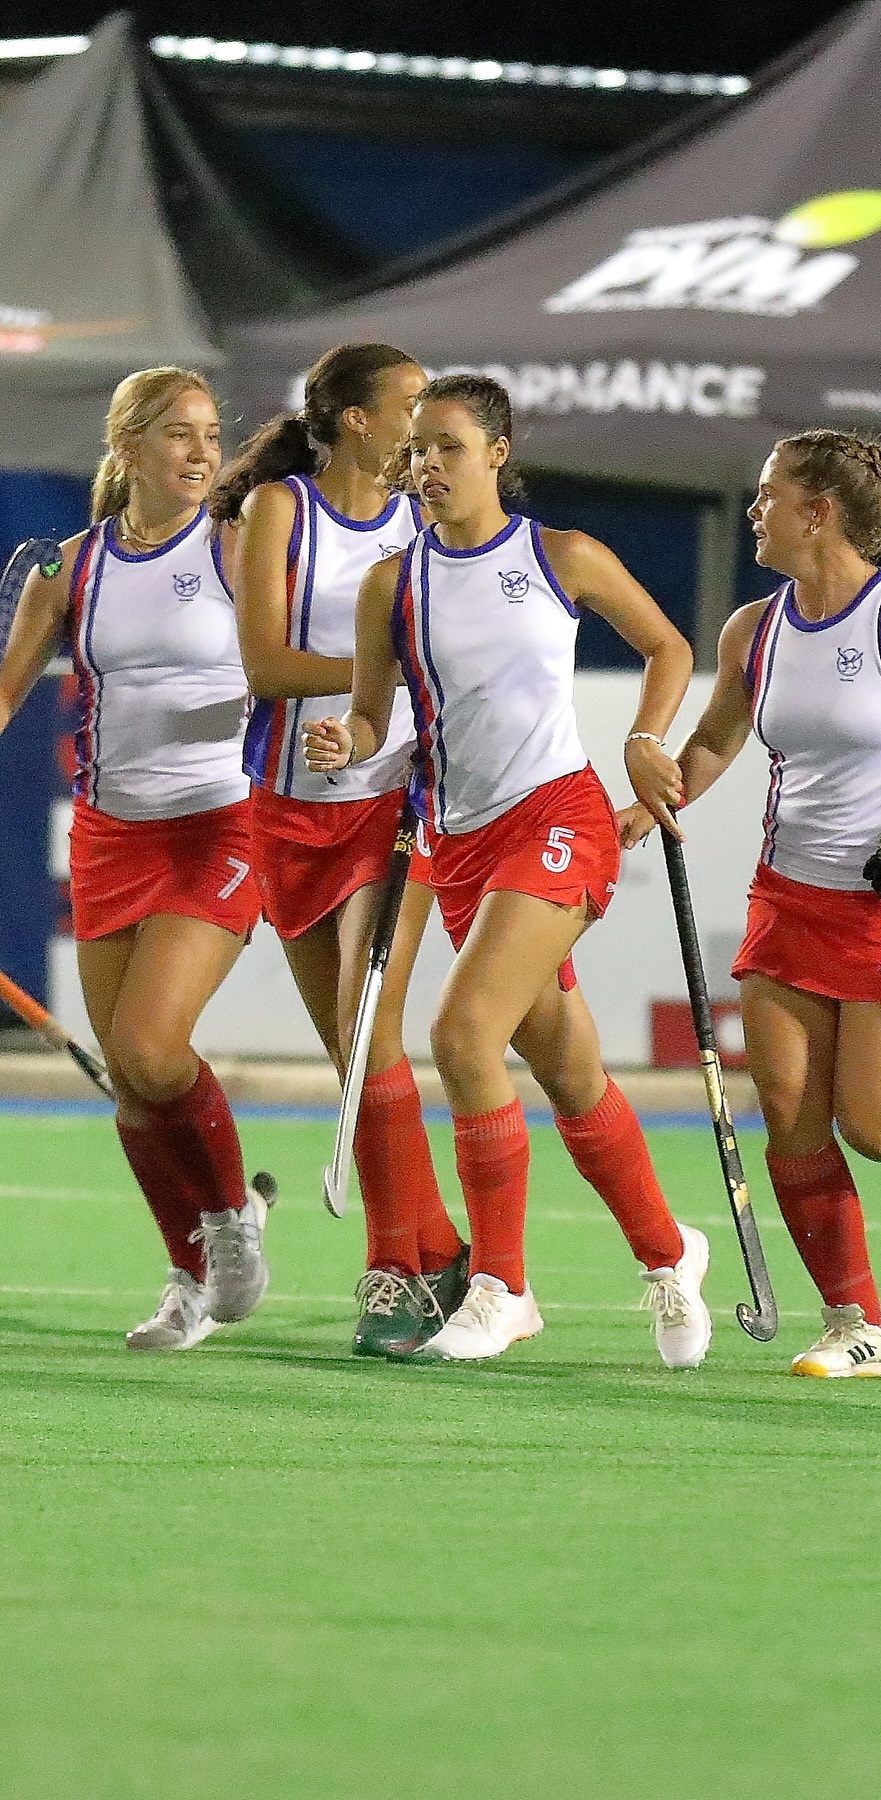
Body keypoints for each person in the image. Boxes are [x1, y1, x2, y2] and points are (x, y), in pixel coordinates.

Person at [302, 372, 711, 1368]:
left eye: (447, 446)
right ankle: (670, 1253)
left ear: (496, 452)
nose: (427, 465)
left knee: (461, 1033)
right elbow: (371, 714)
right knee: (569, 1072)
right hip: (462, 844)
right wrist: (347, 740)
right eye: (417, 449)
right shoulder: (391, 585)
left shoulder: (561, 556)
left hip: (559, 817)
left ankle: (502, 1286)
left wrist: (644, 741)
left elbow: (666, 647)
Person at [620, 428, 881, 1379]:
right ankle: (856, 1324)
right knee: (791, 1117)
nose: (754, 510)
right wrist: (647, 806)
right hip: (788, 894)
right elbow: (716, 741)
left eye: (769, 495)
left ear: (819, 512)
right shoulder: (753, 629)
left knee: (880, 1127)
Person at [0, 367, 270, 1351]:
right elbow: (4, 693)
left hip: (219, 826)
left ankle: (231, 1217)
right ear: (129, 447)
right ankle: (187, 1274)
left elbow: (299, 660)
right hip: (111, 834)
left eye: (211, 435)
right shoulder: (69, 569)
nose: (202, 453)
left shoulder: (240, 550)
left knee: (153, 1050)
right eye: (179, 435)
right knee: (129, 1075)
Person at [213, 343, 469, 1358]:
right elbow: (265, 665)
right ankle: (444, 1250)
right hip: (285, 809)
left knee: (373, 1033)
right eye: (410, 402)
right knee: (352, 1056)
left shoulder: (424, 520)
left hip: (388, 805)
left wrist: (398, 699)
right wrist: (385, 667)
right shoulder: (280, 509)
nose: (424, 418)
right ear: (357, 419)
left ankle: (394, 1269)